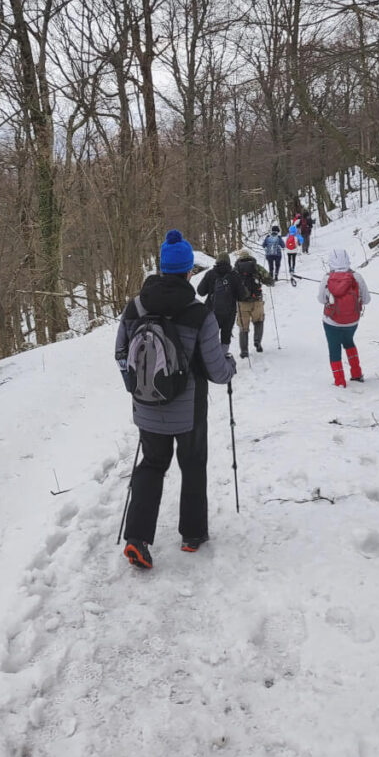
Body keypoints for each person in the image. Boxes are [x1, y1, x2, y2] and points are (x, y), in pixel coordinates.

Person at [115, 229, 236, 570]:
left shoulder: (134, 308)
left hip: (147, 405)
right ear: (188, 270)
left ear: (160, 267)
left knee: (152, 464)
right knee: (193, 464)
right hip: (189, 409)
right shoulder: (199, 314)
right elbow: (215, 369)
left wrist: (135, 387)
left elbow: (122, 355)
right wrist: (230, 366)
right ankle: (192, 535)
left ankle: (136, 538)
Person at [317, 248, 371, 387]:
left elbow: (321, 300)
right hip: (352, 321)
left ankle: (340, 381)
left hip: (331, 322)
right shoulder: (356, 277)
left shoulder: (327, 278)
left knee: (334, 348)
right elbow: (366, 299)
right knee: (349, 342)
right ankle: (357, 374)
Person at [197, 252, 242, 349]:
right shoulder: (234, 275)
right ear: (229, 262)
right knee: (225, 337)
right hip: (229, 313)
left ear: (217, 261)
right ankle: (224, 358)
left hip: (211, 311)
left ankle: (212, 359)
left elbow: (200, 291)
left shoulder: (210, 274)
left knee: (211, 337)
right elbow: (242, 296)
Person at [234, 248, 273, 358]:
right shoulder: (257, 267)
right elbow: (269, 280)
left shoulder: (235, 269)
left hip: (242, 302)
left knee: (243, 327)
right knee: (259, 321)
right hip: (257, 300)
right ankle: (257, 342)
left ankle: (244, 351)